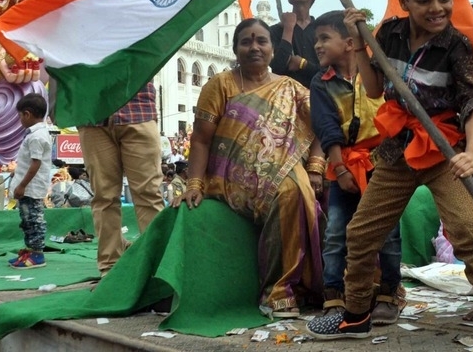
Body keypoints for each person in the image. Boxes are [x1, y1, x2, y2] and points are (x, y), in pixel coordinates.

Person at [307, 0, 473, 352]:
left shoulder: (457, 45)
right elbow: (372, 89)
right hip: (396, 152)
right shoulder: (388, 34)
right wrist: (359, 49)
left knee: (471, 235)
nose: (436, 8)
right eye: (424, 0)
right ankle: (356, 315)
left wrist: (471, 152)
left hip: (443, 154)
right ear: (404, 1)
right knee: (361, 232)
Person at [175, 18, 323, 318]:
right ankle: (276, 291)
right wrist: (194, 184)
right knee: (289, 191)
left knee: (299, 189)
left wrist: (317, 166)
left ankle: (313, 285)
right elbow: (201, 140)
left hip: (283, 165)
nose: (254, 47)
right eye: (246, 41)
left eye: (261, 41)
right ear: (235, 49)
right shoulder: (220, 84)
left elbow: (324, 125)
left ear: (272, 49)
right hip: (232, 176)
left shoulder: (291, 88)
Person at [308, 11, 403, 324]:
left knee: (388, 233)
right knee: (336, 232)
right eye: (316, 40)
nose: (317, 46)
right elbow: (326, 127)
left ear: (350, 43)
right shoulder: (320, 83)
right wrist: (341, 168)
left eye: (324, 38)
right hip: (343, 166)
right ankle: (334, 295)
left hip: (382, 165)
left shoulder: (376, 73)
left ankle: (389, 293)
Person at [76, 82, 165, 275]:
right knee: (104, 197)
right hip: (92, 112)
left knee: (148, 194)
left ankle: (158, 269)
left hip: (137, 107)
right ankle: (110, 270)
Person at [8, 93, 52, 269]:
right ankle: (29, 249)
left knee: (34, 220)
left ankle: (37, 254)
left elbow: (36, 163)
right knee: (26, 219)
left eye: (19, 116)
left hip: (31, 188)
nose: (19, 120)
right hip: (27, 185)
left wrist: (22, 185)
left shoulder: (37, 136)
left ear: (27, 114)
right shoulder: (34, 134)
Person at [269, 0, 321, 86]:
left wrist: (303, 64)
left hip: (318, 96)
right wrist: (288, 28)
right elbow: (278, 68)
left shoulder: (321, 30)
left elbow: (328, 71)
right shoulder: (276, 30)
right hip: (286, 98)